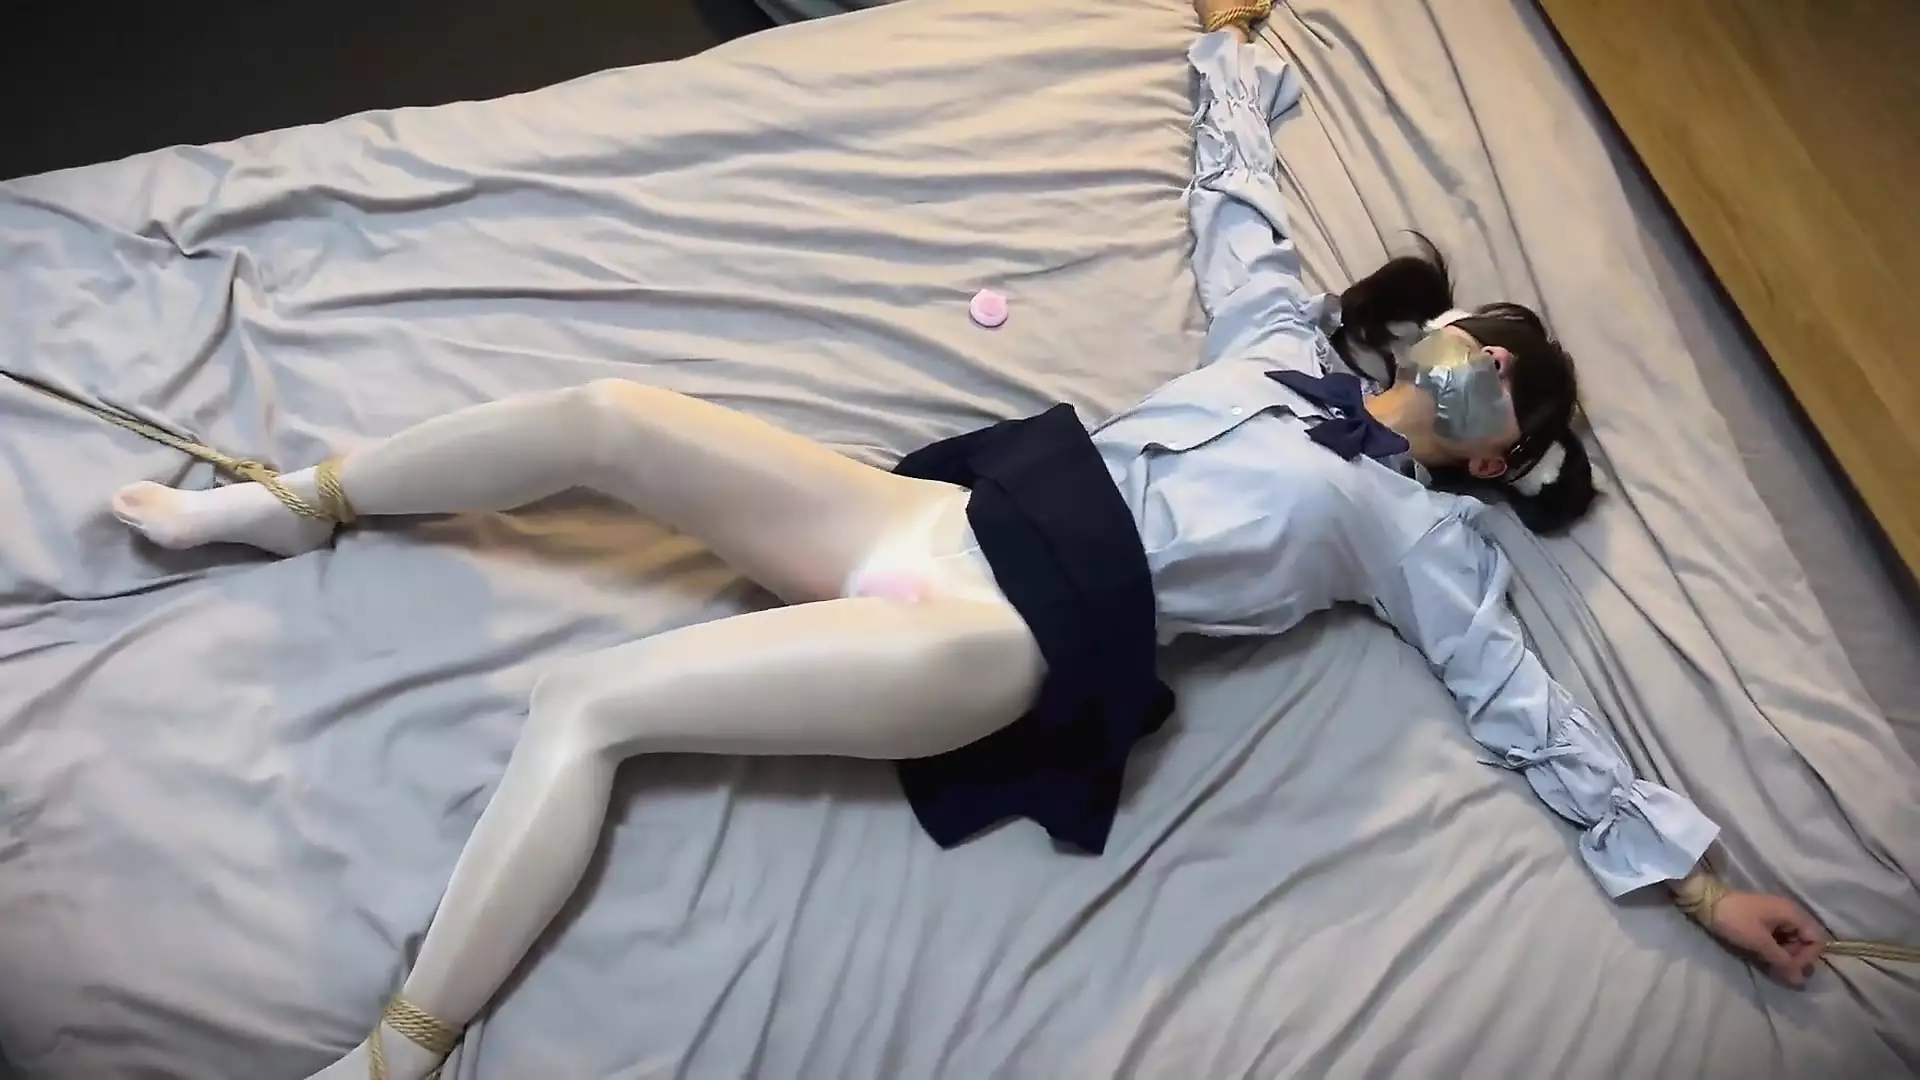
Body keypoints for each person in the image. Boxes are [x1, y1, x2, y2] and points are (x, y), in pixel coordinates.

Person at [110, 2, 1827, 1076]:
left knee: (595, 704)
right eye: (1479, 336)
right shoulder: (1282, 349)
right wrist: (1232, 48)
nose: (1471, 361)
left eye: (1500, 382)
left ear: (1504, 451)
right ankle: (285, 503)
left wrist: (1705, 885)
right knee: (610, 415)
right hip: (949, 514)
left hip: (1008, 638)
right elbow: (1235, 209)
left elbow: (1529, 713)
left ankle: (401, 1054)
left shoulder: (1421, 541)